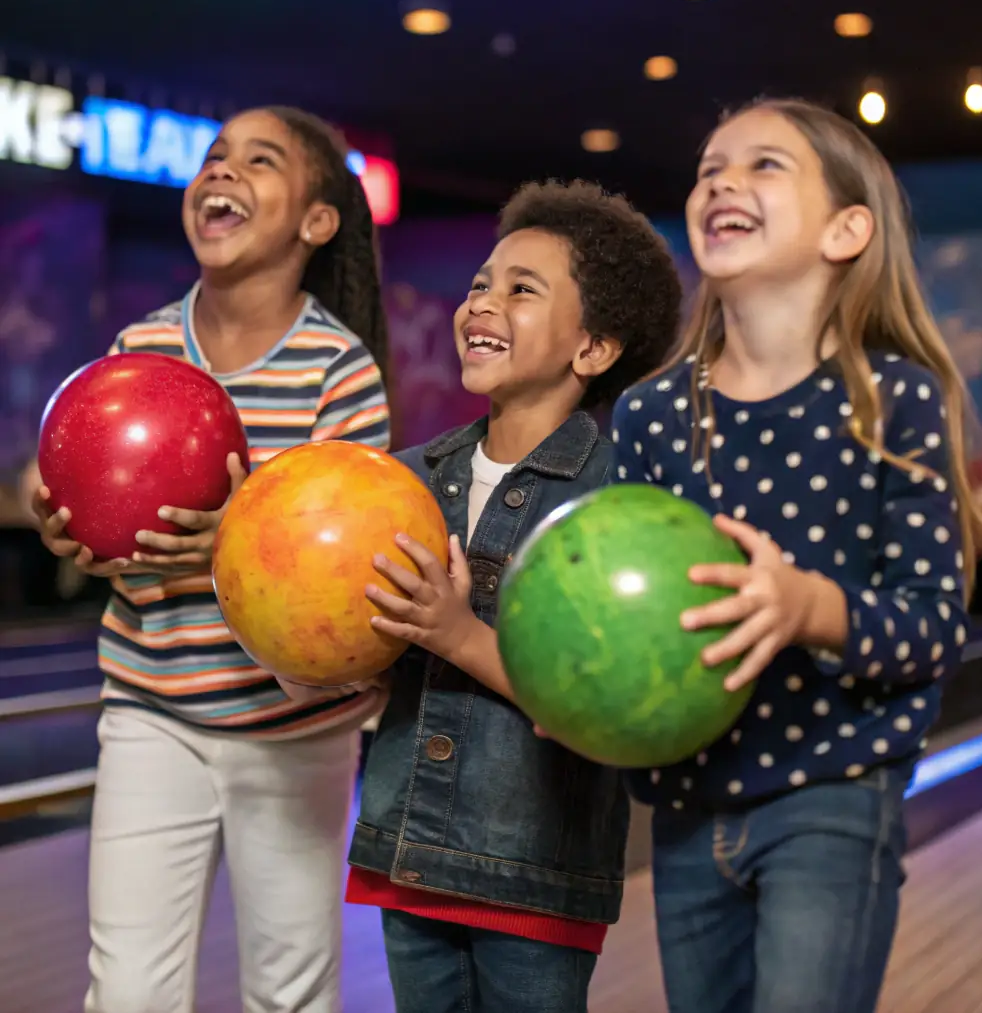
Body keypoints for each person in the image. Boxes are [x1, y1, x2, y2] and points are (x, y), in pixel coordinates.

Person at [612, 98, 982, 1013]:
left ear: (847, 229)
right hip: (686, 802)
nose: (722, 182)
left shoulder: (893, 401)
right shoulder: (653, 414)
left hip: (834, 790)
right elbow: (620, 606)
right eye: (709, 168)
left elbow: (933, 624)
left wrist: (804, 605)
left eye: (764, 165)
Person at [25, 106, 389, 1013]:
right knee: (128, 989)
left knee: (289, 987)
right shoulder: (136, 354)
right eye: (214, 157)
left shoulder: (337, 373)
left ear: (316, 221)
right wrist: (74, 534)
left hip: (294, 728)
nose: (222, 171)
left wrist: (234, 540)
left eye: (259, 161)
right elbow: (111, 537)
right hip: (153, 709)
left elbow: (343, 573)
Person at [344, 180, 683, 1013]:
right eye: (479, 285)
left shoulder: (617, 498)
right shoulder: (410, 478)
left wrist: (457, 634)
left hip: (535, 875)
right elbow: (356, 664)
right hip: (408, 855)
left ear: (594, 349)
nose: (481, 303)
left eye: (521, 289)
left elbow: (607, 699)